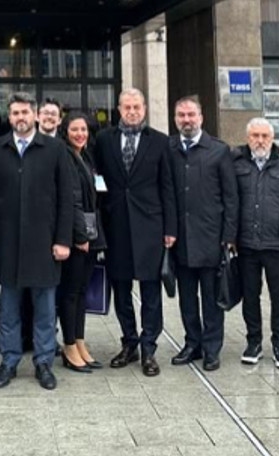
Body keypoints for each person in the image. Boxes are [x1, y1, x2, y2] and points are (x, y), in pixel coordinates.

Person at [0, 92, 74, 390]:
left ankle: (43, 362)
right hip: (8, 242)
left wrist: (63, 240)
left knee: (45, 308)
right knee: (8, 308)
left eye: (25, 112)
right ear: (8, 117)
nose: (20, 118)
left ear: (35, 115)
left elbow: (65, 198)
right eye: (15, 113)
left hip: (44, 242)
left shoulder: (55, 148)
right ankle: (8, 361)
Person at [91, 87, 177, 377]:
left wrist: (170, 228)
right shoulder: (104, 140)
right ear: (118, 109)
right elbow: (97, 181)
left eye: (136, 107)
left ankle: (149, 347)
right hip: (116, 226)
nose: (131, 112)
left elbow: (168, 187)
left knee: (151, 291)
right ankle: (129, 343)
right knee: (121, 290)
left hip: (150, 227)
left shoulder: (161, 142)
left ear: (144, 109)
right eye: (126, 107)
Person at [231, 118, 279, 370]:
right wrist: (229, 236)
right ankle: (253, 342)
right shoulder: (236, 163)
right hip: (246, 243)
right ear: (248, 138)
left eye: (264, 136)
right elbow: (229, 201)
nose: (260, 141)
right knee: (250, 296)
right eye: (255, 136)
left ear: (272, 138)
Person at [168, 96, 237, 372]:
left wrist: (229, 235)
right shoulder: (169, 148)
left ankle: (211, 348)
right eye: (181, 115)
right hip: (181, 238)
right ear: (175, 119)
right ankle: (192, 343)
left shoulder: (219, 150)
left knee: (211, 299)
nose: (186, 120)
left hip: (211, 237)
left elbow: (231, 197)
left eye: (191, 115)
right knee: (187, 298)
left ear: (201, 118)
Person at [57, 112, 105, 373]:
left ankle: (79, 341)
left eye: (83, 129)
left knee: (82, 291)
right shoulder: (65, 157)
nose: (80, 134)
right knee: (71, 292)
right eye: (74, 129)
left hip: (92, 232)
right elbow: (71, 199)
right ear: (66, 131)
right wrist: (80, 236)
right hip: (78, 235)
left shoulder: (86, 156)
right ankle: (68, 346)